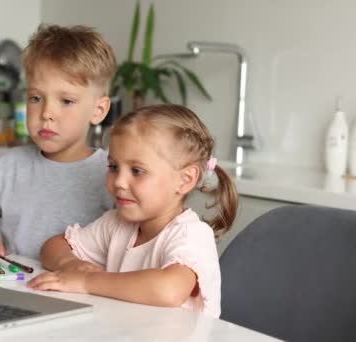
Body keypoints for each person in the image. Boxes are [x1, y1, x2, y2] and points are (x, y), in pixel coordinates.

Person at [27, 104, 238, 317]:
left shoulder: (192, 234)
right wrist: (70, 264)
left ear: (185, 180)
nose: (119, 182)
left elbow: (169, 290)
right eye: (113, 167)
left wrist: (86, 281)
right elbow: (53, 246)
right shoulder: (116, 223)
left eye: (137, 171)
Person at [0, 24, 116, 259]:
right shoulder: (8, 166)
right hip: (15, 291)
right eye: (36, 98)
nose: (46, 113)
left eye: (66, 101)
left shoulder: (111, 174)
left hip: (77, 293)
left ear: (98, 110)